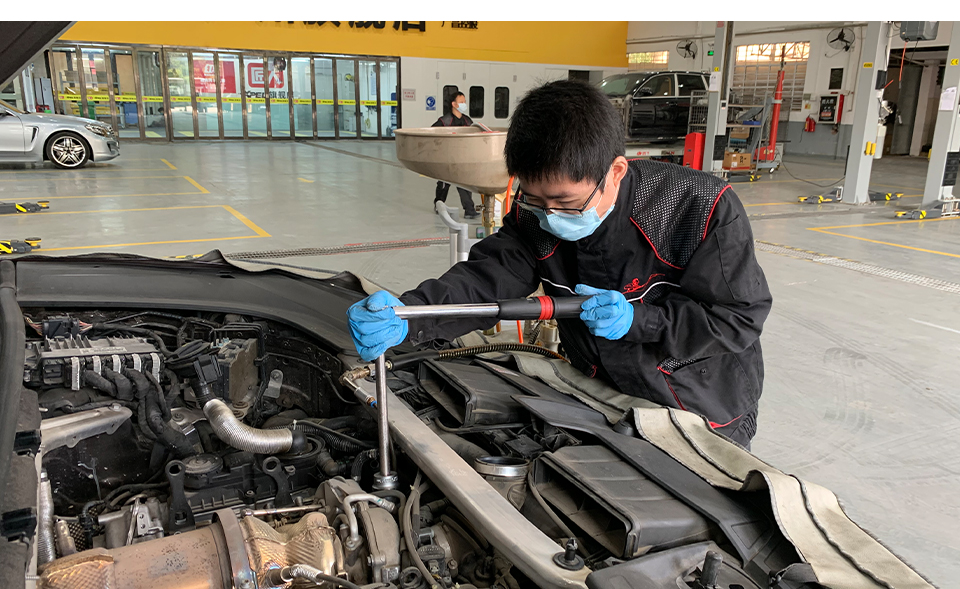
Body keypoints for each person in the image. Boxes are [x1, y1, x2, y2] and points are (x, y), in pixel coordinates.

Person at [348, 80, 772, 446]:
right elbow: (488, 277)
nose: (551, 216)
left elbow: (738, 318)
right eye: (536, 200)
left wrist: (641, 321)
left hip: (701, 406)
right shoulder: (535, 214)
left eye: (567, 203)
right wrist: (412, 314)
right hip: (602, 395)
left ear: (616, 172)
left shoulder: (699, 209)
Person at [432, 92, 478, 218]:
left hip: (462, 158)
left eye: (464, 102)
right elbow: (432, 134)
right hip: (446, 158)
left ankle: (469, 210)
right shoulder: (444, 121)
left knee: (464, 183)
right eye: (461, 102)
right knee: (443, 184)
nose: (464, 104)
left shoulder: (467, 121)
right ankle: (439, 204)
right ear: (454, 104)